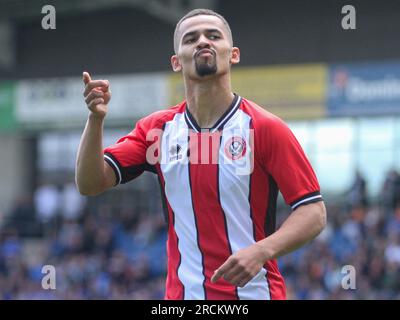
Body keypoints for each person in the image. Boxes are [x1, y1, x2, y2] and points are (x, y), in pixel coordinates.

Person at [76, 8, 326, 300]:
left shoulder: (265, 128)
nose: (203, 41)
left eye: (213, 36)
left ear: (233, 54)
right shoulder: (155, 130)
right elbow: (90, 183)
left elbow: (313, 212)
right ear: (176, 62)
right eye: (191, 38)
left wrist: (261, 251)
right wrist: (95, 120)